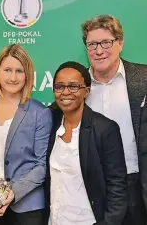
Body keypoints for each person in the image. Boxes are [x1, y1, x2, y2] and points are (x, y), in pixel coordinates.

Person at [82, 14, 147, 224]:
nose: (99, 51)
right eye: (92, 44)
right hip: (91, 189)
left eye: (106, 43)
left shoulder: (143, 78)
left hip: (135, 186)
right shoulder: (77, 84)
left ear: (120, 43)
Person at [45, 61, 127, 225]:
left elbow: (117, 187)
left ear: (86, 91)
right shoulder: (50, 122)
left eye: (73, 86)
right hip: (55, 219)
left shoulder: (105, 128)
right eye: (59, 87)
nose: (65, 92)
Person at [0, 44, 52, 225]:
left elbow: (42, 165)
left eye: (19, 71)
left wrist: (13, 192)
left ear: (27, 75)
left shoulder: (39, 113)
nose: (13, 77)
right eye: (7, 70)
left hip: (27, 206)